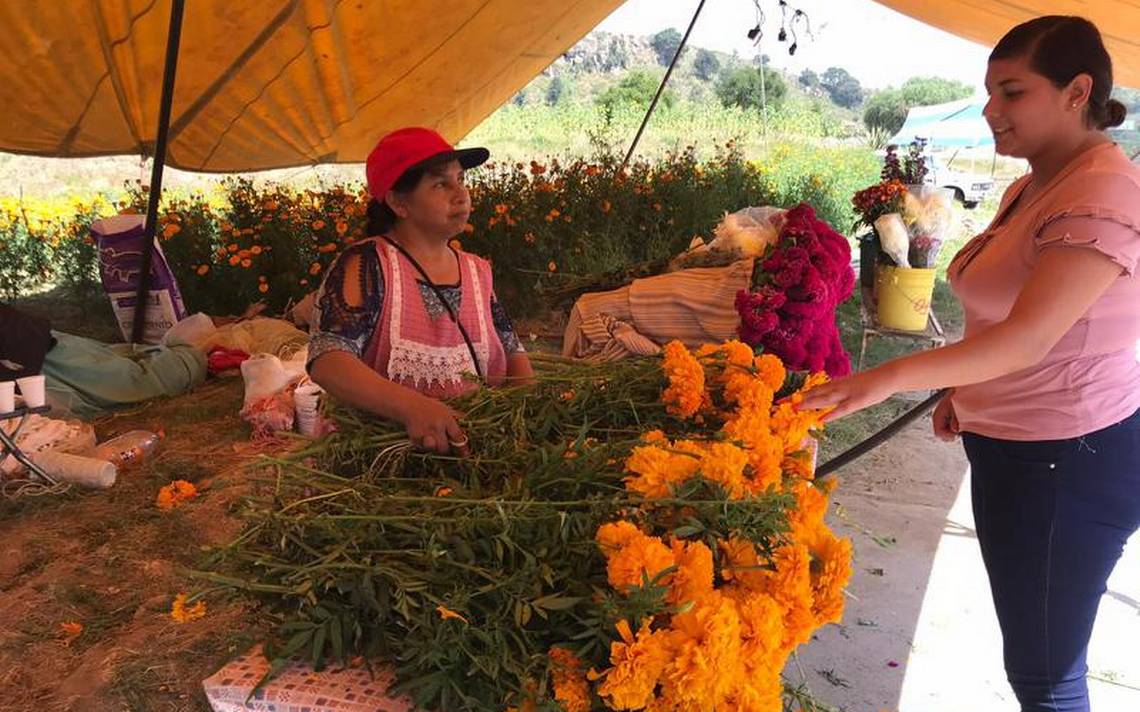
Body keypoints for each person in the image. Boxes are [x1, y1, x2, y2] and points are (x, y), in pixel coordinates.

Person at [800, 16, 1139, 712]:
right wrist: (963, 383)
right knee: (1037, 655)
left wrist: (884, 378)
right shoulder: (1032, 186)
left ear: (1078, 92)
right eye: (990, 92)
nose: (990, 110)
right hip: (1019, 446)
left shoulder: (1100, 193)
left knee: (1048, 676)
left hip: (1066, 458)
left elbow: (1027, 338)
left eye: (1012, 92)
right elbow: (999, 309)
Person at [308, 127, 534, 454]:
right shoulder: (369, 264)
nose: (460, 194)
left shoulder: (477, 271)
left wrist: (531, 417)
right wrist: (414, 408)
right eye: (441, 184)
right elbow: (328, 361)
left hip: (473, 452)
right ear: (399, 202)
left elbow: (513, 353)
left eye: (461, 179)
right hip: (381, 462)